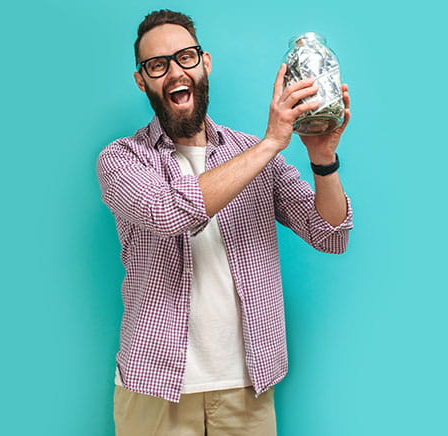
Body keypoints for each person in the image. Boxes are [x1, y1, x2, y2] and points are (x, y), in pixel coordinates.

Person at [96, 9, 353, 436]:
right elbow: (169, 213)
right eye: (157, 65)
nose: (175, 71)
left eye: (186, 57)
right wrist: (273, 142)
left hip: (247, 390)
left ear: (205, 63)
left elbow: (329, 235)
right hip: (155, 389)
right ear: (142, 80)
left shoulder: (252, 152)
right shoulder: (122, 158)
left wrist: (322, 158)